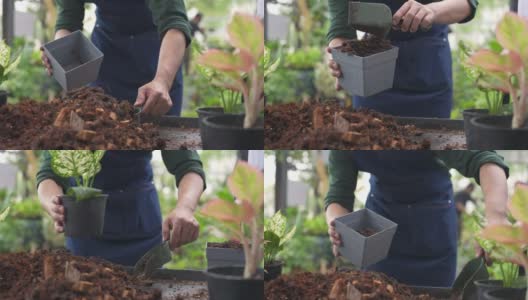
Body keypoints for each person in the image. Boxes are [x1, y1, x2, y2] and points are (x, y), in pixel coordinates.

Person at [325, 151, 509, 287]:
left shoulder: (432, 126)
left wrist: (496, 219)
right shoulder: (347, 137)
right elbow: (338, 196)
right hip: (378, 237)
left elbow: (485, 159)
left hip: (434, 231)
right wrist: (339, 225)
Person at [36, 150, 206, 266]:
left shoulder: (148, 101)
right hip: (85, 231)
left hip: (142, 233)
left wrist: (185, 207)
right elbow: (48, 174)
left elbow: (189, 165)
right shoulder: (69, 113)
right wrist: (54, 204)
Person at [326, 0, 479, 118]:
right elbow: (341, 27)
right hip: (373, 70)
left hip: (428, 67)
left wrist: (431, 11)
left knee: (431, 145)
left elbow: (467, 4)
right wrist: (340, 56)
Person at [41, 0, 191, 116]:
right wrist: (60, 51)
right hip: (108, 53)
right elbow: (68, 21)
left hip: (159, 54)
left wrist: (162, 81)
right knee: (106, 137)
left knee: (171, 141)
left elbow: (174, 24)